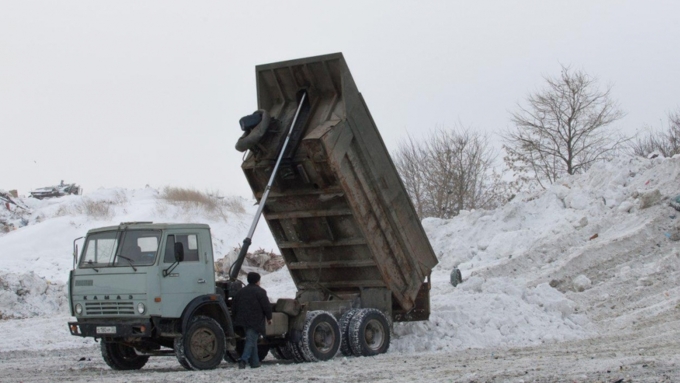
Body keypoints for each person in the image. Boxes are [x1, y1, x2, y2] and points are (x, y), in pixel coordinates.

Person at [232, 272, 272, 369]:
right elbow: (266, 306)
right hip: (255, 320)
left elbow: (234, 306)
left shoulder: (240, 292)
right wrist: (269, 317)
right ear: (257, 281)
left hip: (242, 320)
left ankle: (255, 362)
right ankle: (243, 360)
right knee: (250, 340)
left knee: (252, 340)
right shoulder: (260, 292)